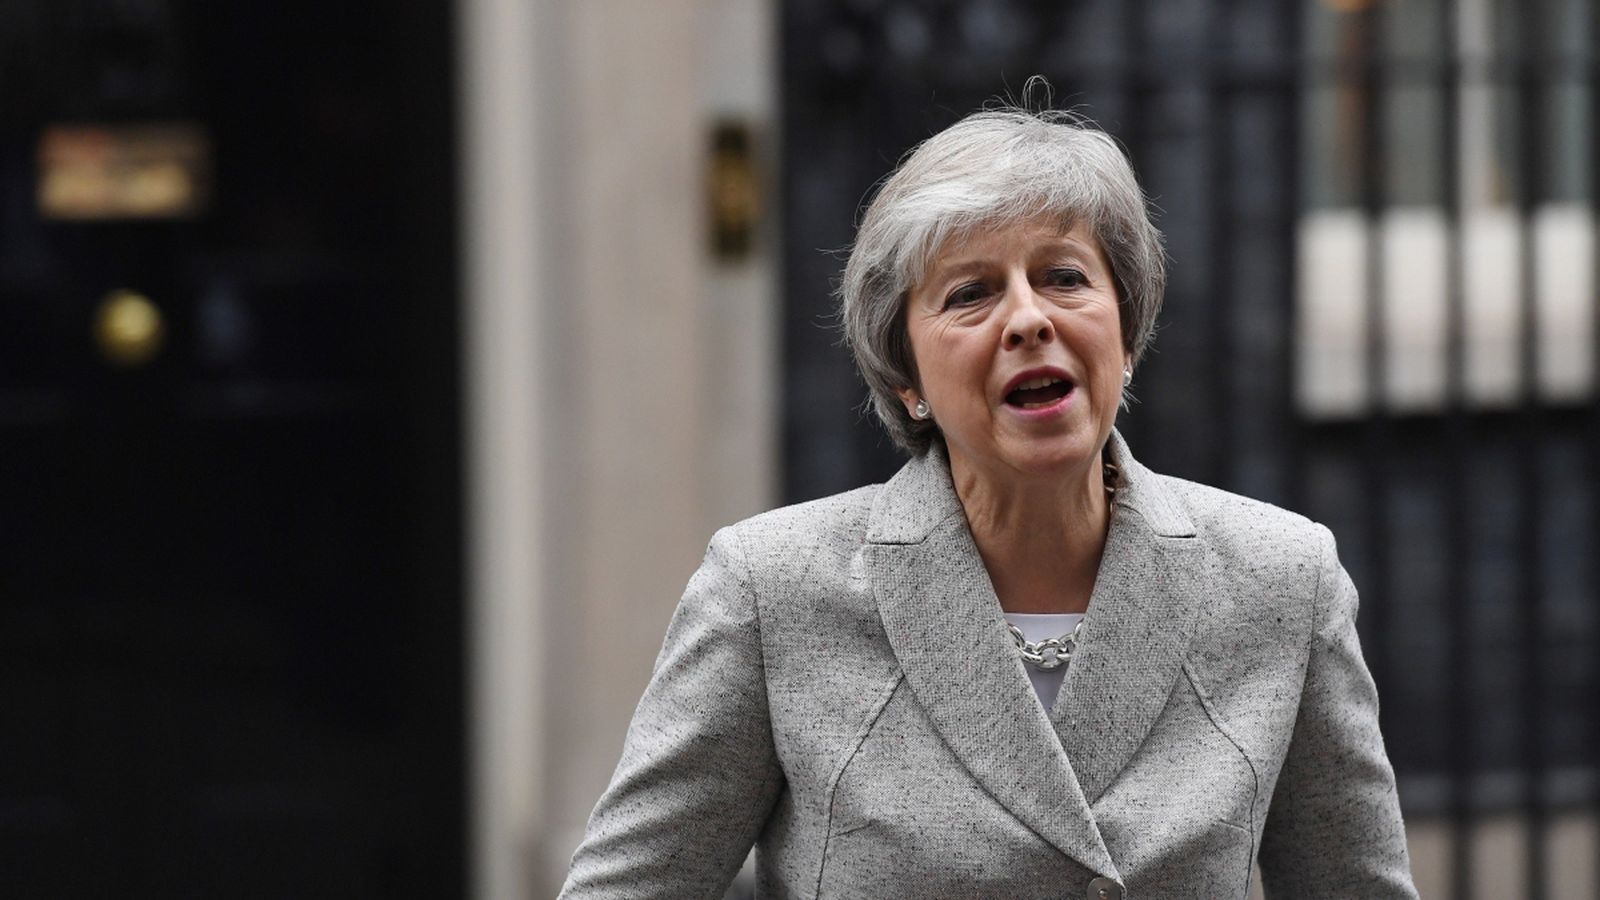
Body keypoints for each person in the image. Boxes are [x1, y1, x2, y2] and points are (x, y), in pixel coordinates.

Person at [559, 103, 1416, 899]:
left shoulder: (1282, 582)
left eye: (1064, 277)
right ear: (906, 383)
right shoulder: (769, 591)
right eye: (969, 294)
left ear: (1125, 333)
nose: (1027, 318)